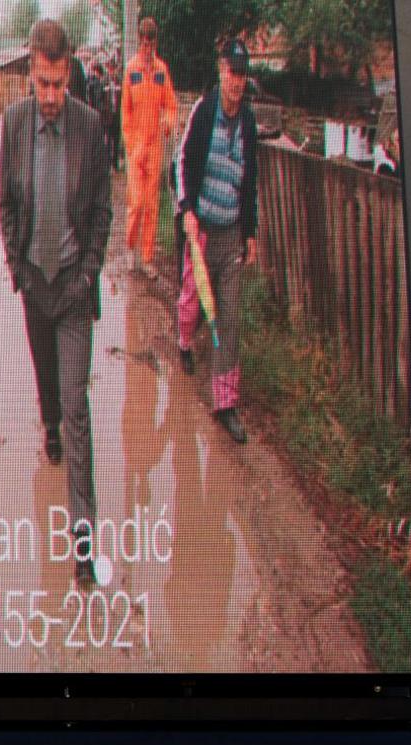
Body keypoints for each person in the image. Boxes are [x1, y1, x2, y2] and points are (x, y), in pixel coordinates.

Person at [0, 20, 113, 584]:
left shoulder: (91, 129)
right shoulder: (14, 124)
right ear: (29, 74)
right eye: (42, 84)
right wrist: (16, 264)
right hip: (34, 285)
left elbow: (101, 216)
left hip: (71, 287)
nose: (49, 97)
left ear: (69, 73)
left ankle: (84, 544)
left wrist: (86, 276)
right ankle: (46, 427)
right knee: (48, 388)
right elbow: (6, 203)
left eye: (58, 84)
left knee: (78, 409)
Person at [173, 38, 260, 444]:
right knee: (192, 298)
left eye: (242, 75)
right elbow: (183, 161)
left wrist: (251, 232)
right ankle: (184, 339)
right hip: (201, 229)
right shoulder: (204, 111)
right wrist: (187, 209)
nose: (236, 82)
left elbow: (251, 181)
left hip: (230, 234)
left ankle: (225, 403)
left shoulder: (249, 122)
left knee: (230, 315)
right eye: (231, 72)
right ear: (220, 71)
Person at [121, 16, 177, 269]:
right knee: (137, 202)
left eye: (151, 44)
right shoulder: (131, 70)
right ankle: (130, 248)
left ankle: (146, 258)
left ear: (155, 42)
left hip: (155, 146)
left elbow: (171, 105)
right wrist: (131, 145)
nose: (147, 49)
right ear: (139, 41)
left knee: (152, 204)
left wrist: (168, 120)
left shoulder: (161, 71)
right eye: (143, 44)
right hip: (137, 146)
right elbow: (126, 111)